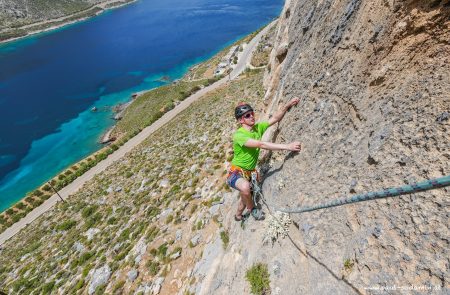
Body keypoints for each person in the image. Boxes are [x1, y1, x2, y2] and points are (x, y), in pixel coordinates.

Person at [227, 98, 302, 221]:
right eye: (247, 115)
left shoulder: (257, 128)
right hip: (236, 172)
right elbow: (261, 145)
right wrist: (287, 146)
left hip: (248, 173)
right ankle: (253, 210)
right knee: (245, 188)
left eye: (252, 113)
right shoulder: (239, 136)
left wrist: (287, 105)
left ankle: (238, 216)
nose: (252, 116)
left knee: (245, 198)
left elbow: (275, 118)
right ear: (241, 120)